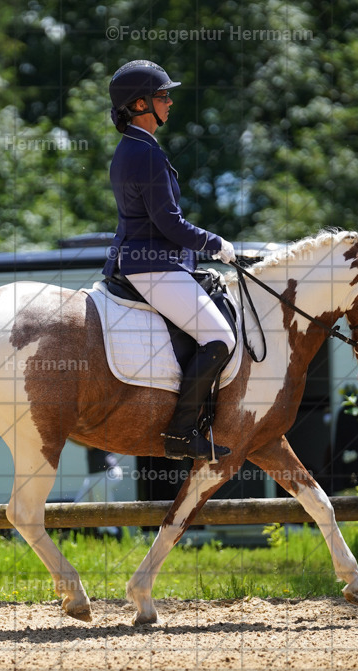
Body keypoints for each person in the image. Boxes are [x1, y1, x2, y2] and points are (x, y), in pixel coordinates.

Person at [104, 59, 237, 461]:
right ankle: (180, 433)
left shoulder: (136, 147)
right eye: (164, 96)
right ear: (141, 104)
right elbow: (170, 223)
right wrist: (217, 244)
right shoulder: (144, 154)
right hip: (152, 265)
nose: (171, 102)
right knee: (220, 338)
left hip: (152, 261)